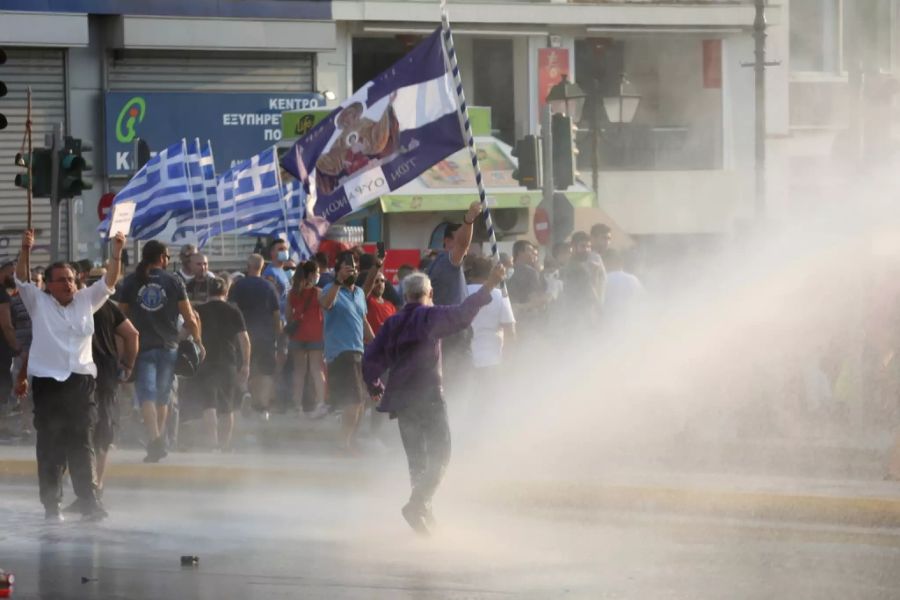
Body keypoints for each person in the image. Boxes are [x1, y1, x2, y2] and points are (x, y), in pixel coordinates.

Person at [362, 264, 506, 535]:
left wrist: (374, 384)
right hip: (428, 396)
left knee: (417, 461)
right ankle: (418, 504)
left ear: (405, 296)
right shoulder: (430, 316)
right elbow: (464, 315)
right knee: (442, 455)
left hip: (403, 401)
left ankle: (424, 513)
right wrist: (490, 285)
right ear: (429, 293)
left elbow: (371, 358)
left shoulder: (392, 322)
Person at [15, 228, 126, 521]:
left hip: (80, 382)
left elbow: (110, 280)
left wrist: (116, 252)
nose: (69, 284)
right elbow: (21, 278)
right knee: (51, 444)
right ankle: (52, 504)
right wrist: (25, 249)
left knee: (82, 440)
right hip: (49, 384)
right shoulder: (37, 302)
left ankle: (88, 500)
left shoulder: (86, 301)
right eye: (61, 280)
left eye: (72, 279)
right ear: (49, 285)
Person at [118, 240, 204, 463]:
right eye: (167, 256)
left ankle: (154, 439)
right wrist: (198, 341)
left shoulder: (131, 281)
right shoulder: (173, 281)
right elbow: (189, 316)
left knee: (146, 394)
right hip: (169, 346)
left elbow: (121, 317)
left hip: (142, 345)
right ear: (161, 258)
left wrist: (121, 347)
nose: (168, 260)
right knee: (163, 396)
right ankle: (158, 440)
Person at [82, 293, 138, 504]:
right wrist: (127, 365)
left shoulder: (70, 305)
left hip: (78, 375)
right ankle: (97, 486)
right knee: (102, 432)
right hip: (105, 374)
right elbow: (132, 334)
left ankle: (87, 487)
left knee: (79, 432)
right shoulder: (107, 306)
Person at [320, 251, 375, 453]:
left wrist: (377, 344)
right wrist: (338, 281)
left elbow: (362, 320)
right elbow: (326, 304)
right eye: (347, 266)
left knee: (360, 402)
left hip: (358, 352)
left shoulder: (359, 293)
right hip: (341, 353)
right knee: (353, 402)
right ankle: (342, 443)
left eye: (354, 266)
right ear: (338, 269)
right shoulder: (330, 288)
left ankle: (348, 441)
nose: (352, 269)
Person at [193, 277, 250, 450]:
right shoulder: (233, 311)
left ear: (208, 292)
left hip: (205, 361)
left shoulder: (199, 310)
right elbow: (244, 339)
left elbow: (184, 332)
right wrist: (246, 364)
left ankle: (212, 443)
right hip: (228, 361)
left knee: (209, 403)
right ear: (226, 292)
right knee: (227, 405)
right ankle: (225, 445)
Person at [229, 254, 281, 416]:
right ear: (262, 267)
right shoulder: (270, 286)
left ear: (248, 266)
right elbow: (277, 314)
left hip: (243, 335)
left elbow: (232, 309)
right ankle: (262, 408)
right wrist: (278, 335)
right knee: (265, 372)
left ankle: (245, 395)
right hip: (265, 336)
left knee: (243, 368)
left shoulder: (238, 286)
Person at [286, 261, 326, 418]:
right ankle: (321, 403)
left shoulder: (292, 293)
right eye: (316, 272)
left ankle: (297, 406)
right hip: (316, 334)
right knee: (317, 370)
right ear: (311, 274)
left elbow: (288, 315)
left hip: (297, 335)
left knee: (299, 372)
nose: (318, 275)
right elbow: (325, 314)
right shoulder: (319, 292)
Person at [561, 231, 604, 331]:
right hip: (581, 316)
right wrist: (600, 310)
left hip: (575, 316)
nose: (587, 250)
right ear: (573, 246)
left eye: (589, 246)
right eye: (583, 246)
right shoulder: (577, 267)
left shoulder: (572, 264)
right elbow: (590, 290)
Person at [263, 238, 291, 318]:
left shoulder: (282, 270)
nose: (284, 251)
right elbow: (272, 301)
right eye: (281, 249)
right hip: (277, 319)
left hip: (285, 317)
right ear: (272, 253)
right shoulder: (270, 273)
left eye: (286, 249)